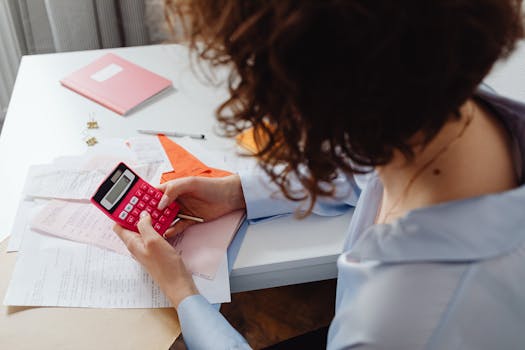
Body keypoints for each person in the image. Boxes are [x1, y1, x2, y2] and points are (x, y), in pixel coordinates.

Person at [114, 1, 525, 348]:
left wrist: (184, 294)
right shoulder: (443, 102)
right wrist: (239, 192)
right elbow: (364, 169)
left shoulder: (393, 322)